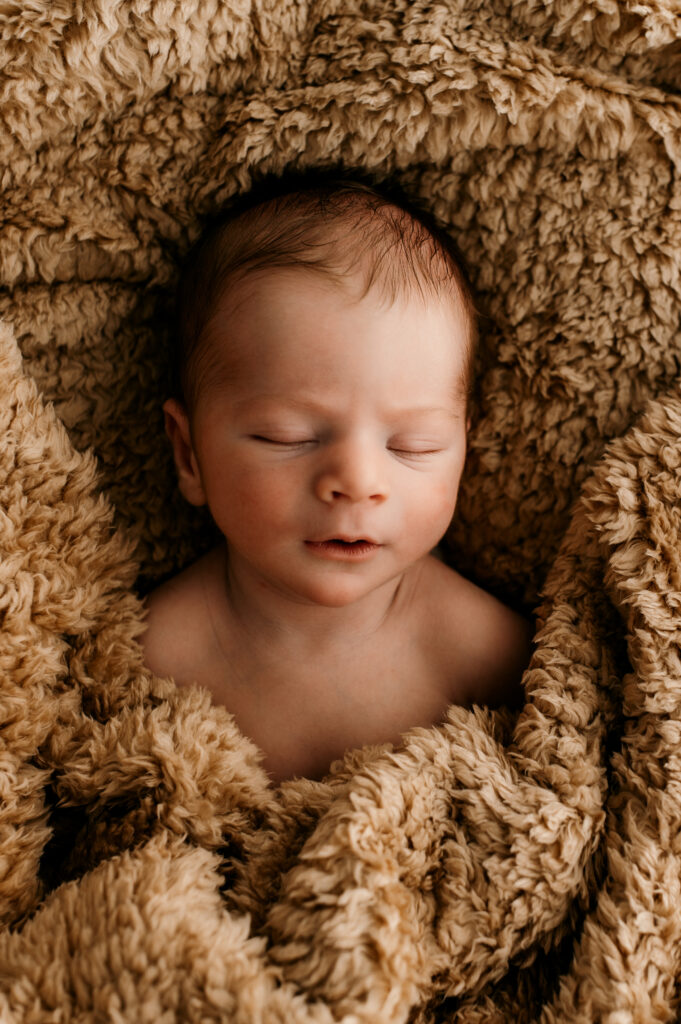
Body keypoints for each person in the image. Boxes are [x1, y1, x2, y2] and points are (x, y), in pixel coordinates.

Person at [140, 167, 532, 786]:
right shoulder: (149, 657)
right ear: (190, 456)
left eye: (413, 445)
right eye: (288, 437)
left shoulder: (494, 659)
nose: (356, 481)